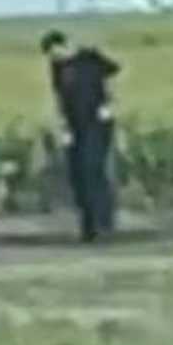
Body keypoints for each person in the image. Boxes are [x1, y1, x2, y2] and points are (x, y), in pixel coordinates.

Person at [42, 30, 122, 243]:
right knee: (77, 175)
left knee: (93, 169)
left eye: (55, 51)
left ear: (63, 45)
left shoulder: (89, 57)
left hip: (97, 121)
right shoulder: (57, 68)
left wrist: (109, 104)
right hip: (75, 126)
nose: (54, 56)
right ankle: (88, 226)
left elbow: (113, 74)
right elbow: (60, 98)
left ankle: (103, 222)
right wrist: (63, 126)